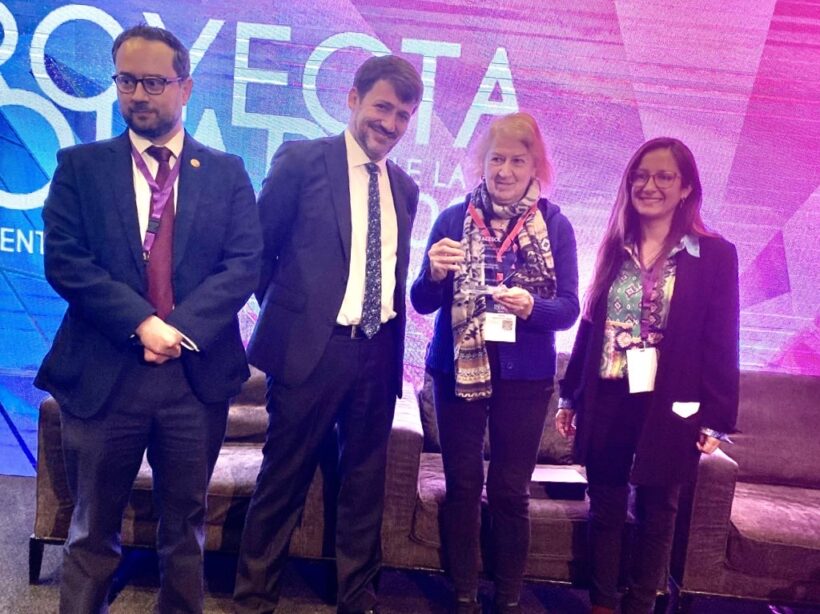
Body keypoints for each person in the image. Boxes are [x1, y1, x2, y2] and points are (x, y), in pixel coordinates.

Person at [34, 24, 262, 613]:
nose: (139, 94)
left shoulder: (227, 171)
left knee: (184, 531)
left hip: (194, 379)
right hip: (104, 373)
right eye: (127, 81)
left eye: (154, 82)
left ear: (185, 87)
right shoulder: (80, 166)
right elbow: (65, 261)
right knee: (91, 530)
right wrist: (142, 322)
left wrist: (177, 329)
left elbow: (244, 264)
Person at [233, 55, 423, 614]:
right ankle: (253, 602)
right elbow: (258, 252)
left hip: (378, 353)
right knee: (283, 481)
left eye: (403, 115)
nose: (390, 123)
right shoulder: (302, 160)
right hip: (310, 354)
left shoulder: (405, 188)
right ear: (353, 98)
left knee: (364, 487)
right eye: (382, 107)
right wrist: (293, 318)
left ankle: (356, 600)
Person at [555, 137, 739, 614]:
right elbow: (590, 324)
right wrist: (570, 395)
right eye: (640, 176)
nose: (648, 185)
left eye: (663, 177)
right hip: (609, 391)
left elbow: (722, 339)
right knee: (606, 504)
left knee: (658, 509)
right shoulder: (616, 245)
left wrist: (717, 417)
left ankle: (640, 605)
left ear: (686, 188)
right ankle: (602, 603)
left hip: (671, 399)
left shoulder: (714, 255)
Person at [411, 112, 579, 613]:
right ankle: (463, 595)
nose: (505, 171)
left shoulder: (555, 225)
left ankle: (507, 599)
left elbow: (568, 309)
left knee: (509, 490)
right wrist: (434, 276)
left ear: (535, 167)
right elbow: (421, 302)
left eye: (517, 161)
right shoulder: (452, 219)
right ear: (481, 163)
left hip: (526, 378)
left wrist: (533, 308)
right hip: (455, 372)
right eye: (496, 159)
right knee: (463, 485)